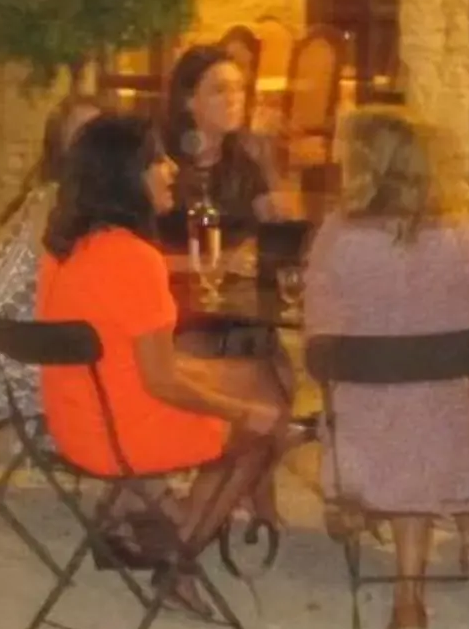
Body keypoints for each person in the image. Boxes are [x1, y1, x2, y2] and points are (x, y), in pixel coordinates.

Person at [304, 110, 469, 629]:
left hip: (356, 456)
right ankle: (432, 575)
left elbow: (316, 347)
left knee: (394, 408)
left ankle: (409, 600)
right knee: (431, 408)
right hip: (451, 456)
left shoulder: (337, 238)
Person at [36, 114, 290, 560]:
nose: (172, 168)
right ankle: (180, 558)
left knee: (258, 377)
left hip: (76, 420)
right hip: (121, 433)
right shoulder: (135, 259)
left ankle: (163, 525)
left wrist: (229, 384)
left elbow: (126, 353)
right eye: (157, 160)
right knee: (259, 428)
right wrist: (242, 411)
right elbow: (162, 382)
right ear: (127, 177)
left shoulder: (65, 247)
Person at [0, 92, 101, 425]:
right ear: (62, 150)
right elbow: (86, 285)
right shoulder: (59, 205)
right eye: (82, 136)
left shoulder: (53, 197)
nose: (93, 146)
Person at [164, 41, 286, 242]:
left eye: (239, 89)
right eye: (220, 90)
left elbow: (267, 233)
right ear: (188, 100)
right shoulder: (162, 165)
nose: (233, 100)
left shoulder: (247, 164)